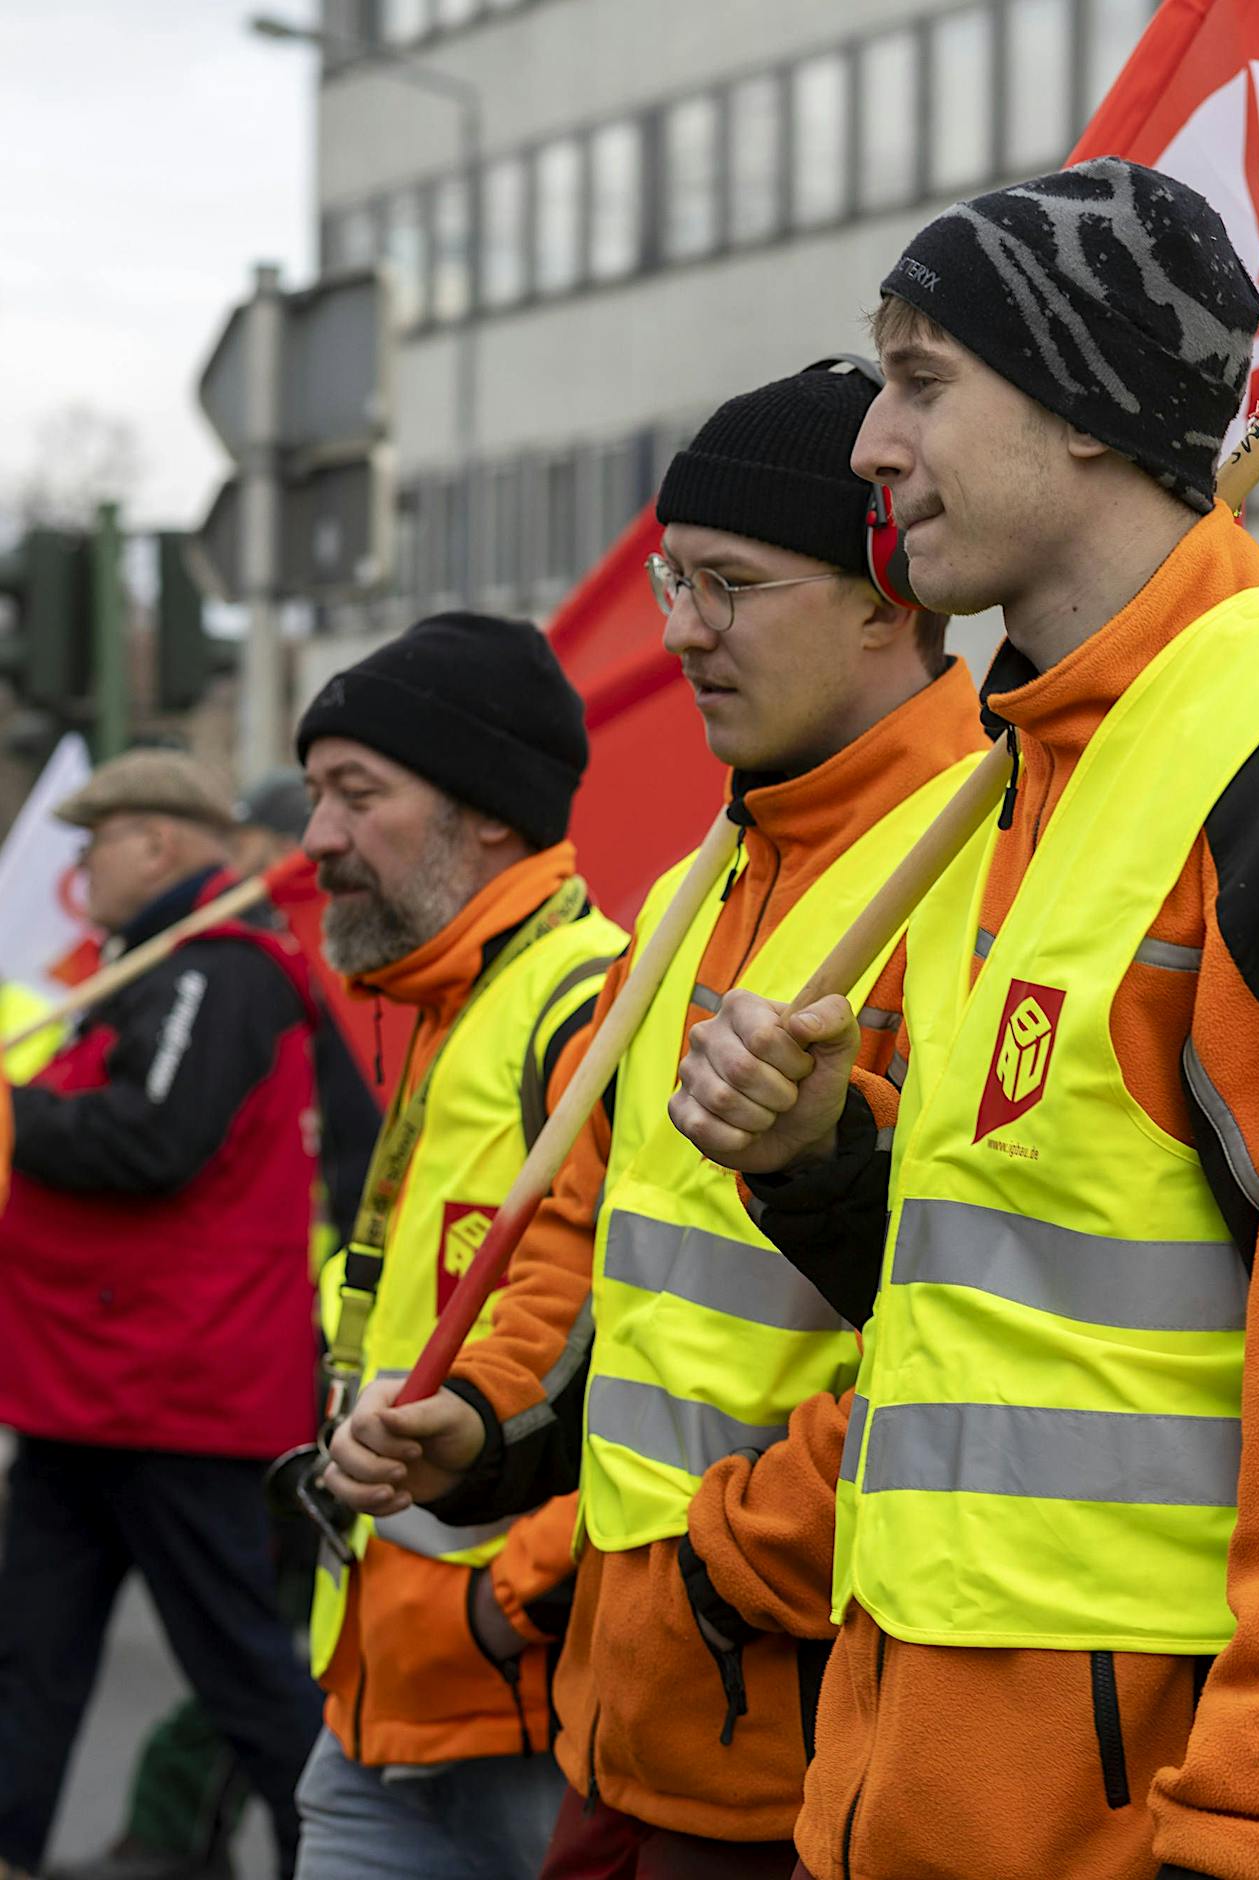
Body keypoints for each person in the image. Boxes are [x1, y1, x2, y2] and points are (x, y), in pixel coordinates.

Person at [669, 159, 1259, 1879]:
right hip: (948, 1794)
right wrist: (822, 1166)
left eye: (922, 379)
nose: (872, 445)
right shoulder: (1020, 782)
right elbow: (1020, 1323)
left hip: (1203, 1818)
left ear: (1092, 412)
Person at [318, 361, 984, 1875]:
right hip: (636, 1717)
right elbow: (583, 1240)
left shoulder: (982, 868)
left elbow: (992, 1324)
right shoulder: (702, 883)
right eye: (678, 579)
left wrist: (728, 1556)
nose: (680, 628)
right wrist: (477, 1425)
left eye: (730, 585)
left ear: (889, 593)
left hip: (818, 1726)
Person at [284, 613, 628, 1880]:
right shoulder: (443, 1003)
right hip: (373, 1705)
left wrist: (513, 1598)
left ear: (487, 811)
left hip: (522, 1716)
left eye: (355, 795)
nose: (316, 837)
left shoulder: (589, 1004)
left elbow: (663, 1352)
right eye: (316, 793)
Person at [47, 765, 381, 1880]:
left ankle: (315, 1850)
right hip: (98, 1381)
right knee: (31, 1652)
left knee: (243, 1655)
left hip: (192, 1382)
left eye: (95, 841)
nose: (78, 867)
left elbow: (154, 1138)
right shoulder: (153, 969)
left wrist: (12, 1116)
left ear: (153, 843)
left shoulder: (218, 972)